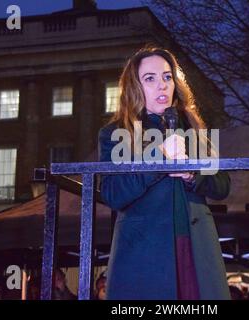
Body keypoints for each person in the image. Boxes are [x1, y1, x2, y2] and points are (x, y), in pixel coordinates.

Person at [98, 46, 231, 300]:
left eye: (167, 77)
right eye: (150, 78)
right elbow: (113, 194)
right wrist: (159, 158)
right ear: (135, 87)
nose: (162, 85)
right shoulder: (116, 134)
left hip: (195, 245)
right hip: (145, 251)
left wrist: (193, 175)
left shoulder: (195, 130)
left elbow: (223, 185)